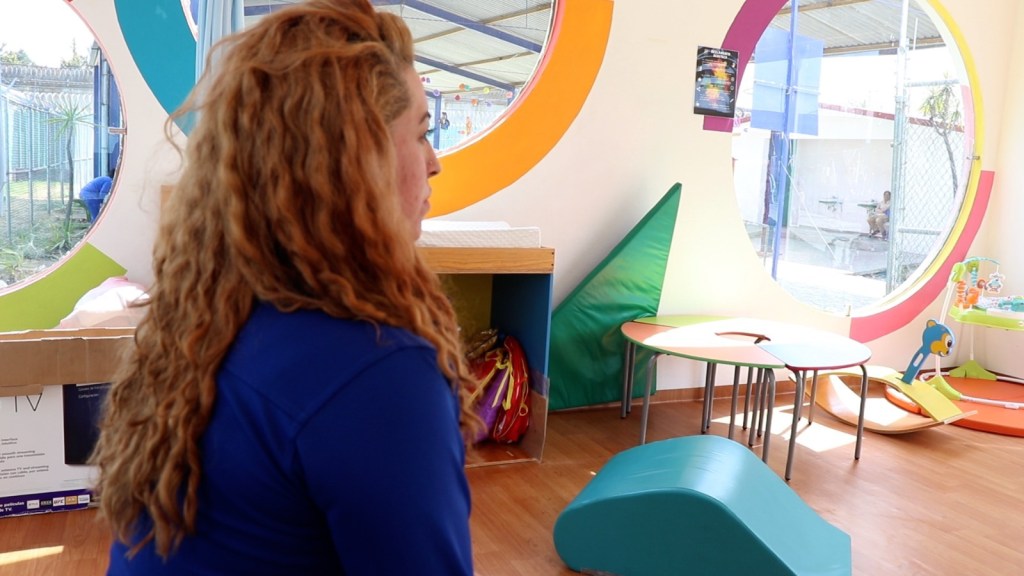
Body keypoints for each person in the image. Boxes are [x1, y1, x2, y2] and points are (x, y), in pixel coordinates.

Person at [92, 1, 479, 574]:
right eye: (422, 133)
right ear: (356, 162)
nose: (435, 162)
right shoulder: (377, 372)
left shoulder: (207, 316)